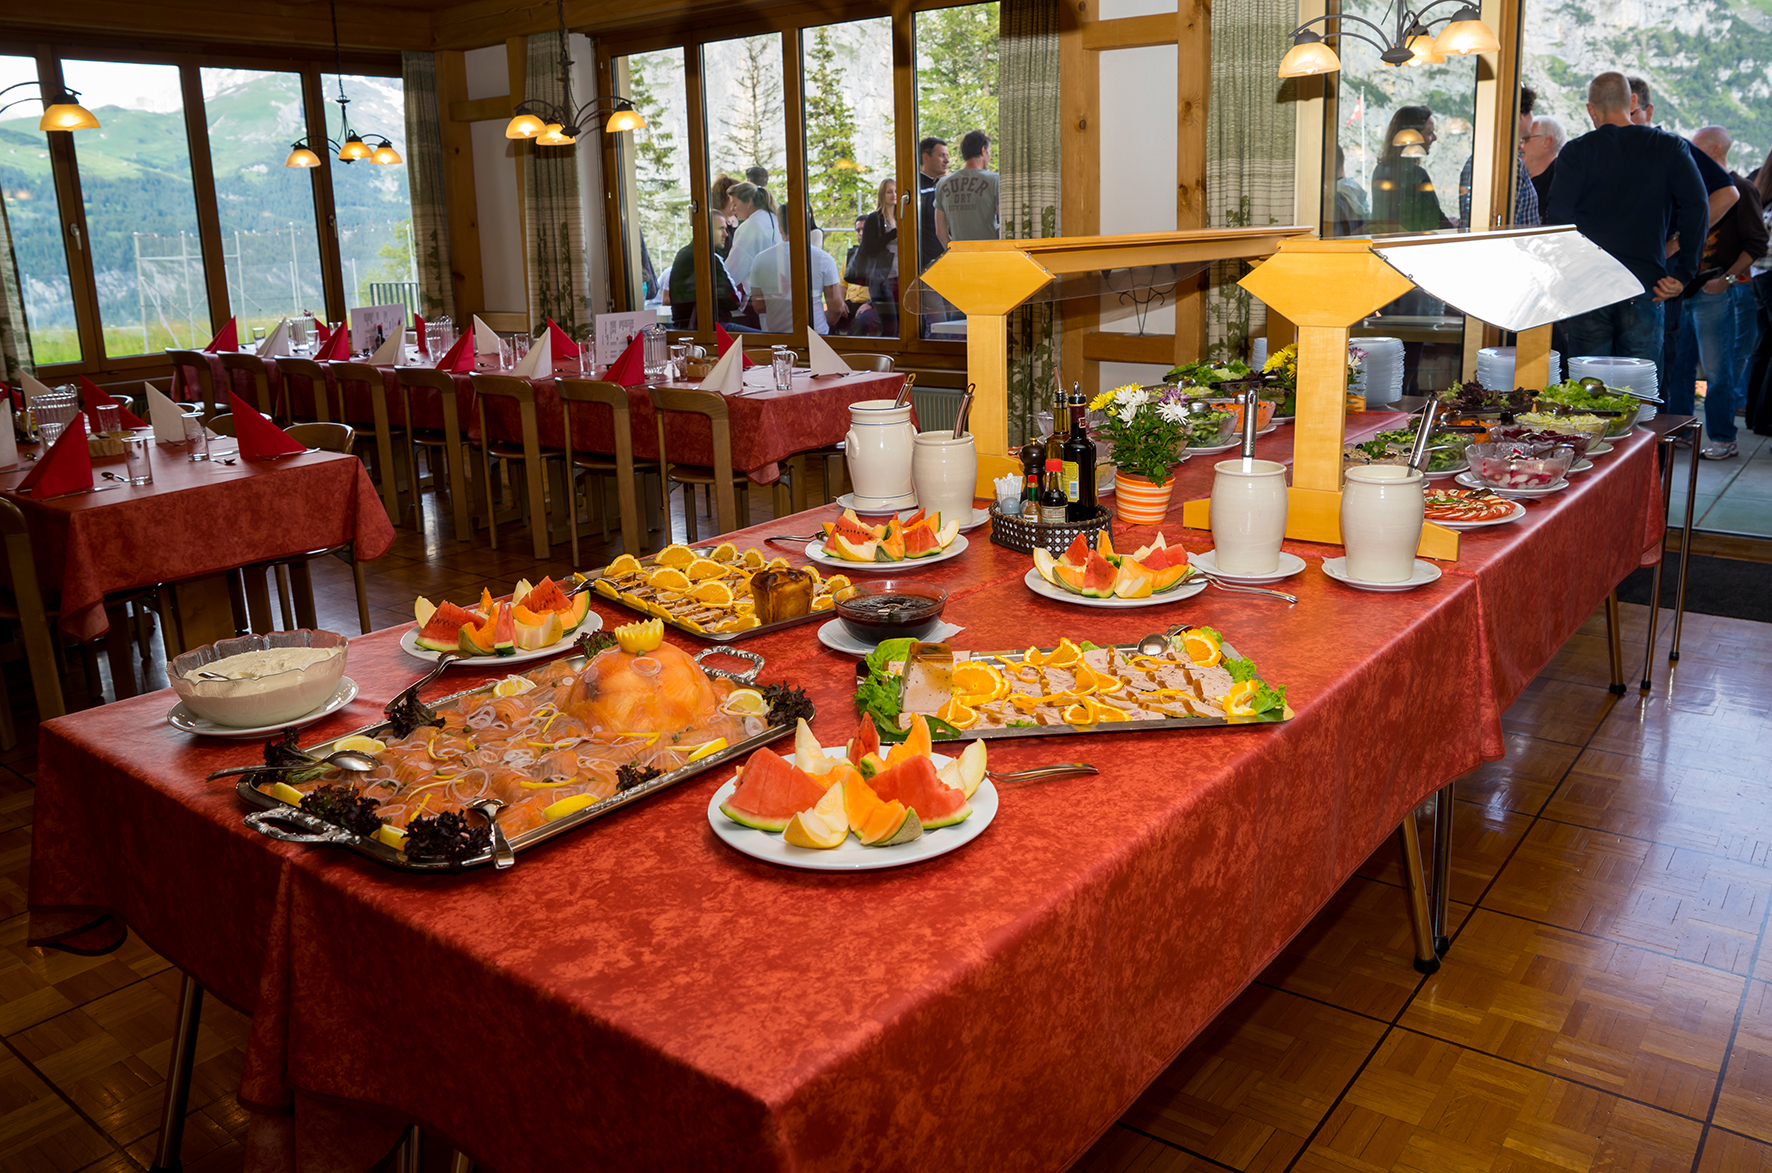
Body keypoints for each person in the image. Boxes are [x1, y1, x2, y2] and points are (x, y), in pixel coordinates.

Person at [1545, 72, 1707, 369]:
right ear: (1631, 102)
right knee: (1638, 386)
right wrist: (1685, 272)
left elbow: (1558, 220)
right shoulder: (1668, 146)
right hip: (1645, 284)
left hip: (1588, 287)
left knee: (1587, 386)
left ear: (1591, 109)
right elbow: (1697, 207)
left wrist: (1566, 275)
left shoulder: (1576, 152)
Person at [1628, 76, 1739, 386]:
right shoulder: (1609, 149)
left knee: (1654, 370)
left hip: (1661, 277)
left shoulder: (1672, 147)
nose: (1622, 121)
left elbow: (1727, 194)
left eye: (1630, 113)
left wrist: (1679, 241)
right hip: (1622, 279)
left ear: (1649, 112)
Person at [1665, 126, 1766, 460]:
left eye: (1695, 148)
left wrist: (1728, 277)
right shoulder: (1690, 187)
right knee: (1679, 367)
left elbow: (1757, 242)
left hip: (1713, 291)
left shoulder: (1742, 188)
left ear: (1712, 151)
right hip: (1681, 290)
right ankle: (1679, 430)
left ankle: (1723, 437)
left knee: (1718, 371)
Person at [1457, 87, 1539, 230]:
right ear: (1521, 115)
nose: (1532, 118)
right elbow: (1506, 222)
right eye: (1530, 112)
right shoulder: (1508, 163)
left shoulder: (1477, 159)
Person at [1370, 107, 1452, 233]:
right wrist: (1455, 226)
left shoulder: (1380, 170)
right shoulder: (1416, 174)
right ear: (1414, 137)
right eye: (1429, 133)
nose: (1435, 138)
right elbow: (1434, 222)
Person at [746, 231, 845, 336]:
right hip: (816, 334)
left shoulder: (760, 259)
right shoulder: (824, 258)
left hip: (776, 336)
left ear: (780, 228)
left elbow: (759, 306)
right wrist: (823, 324)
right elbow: (836, 307)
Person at [1744, 149, 1772, 436]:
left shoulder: (1763, 195)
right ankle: (1765, 418)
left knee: (1764, 346)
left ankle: (1755, 415)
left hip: (1760, 276)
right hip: (1769, 275)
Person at [933, 130, 999, 246]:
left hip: (960, 255)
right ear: (983, 150)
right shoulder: (995, 180)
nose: (989, 157)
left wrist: (953, 253)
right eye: (989, 152)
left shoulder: (943, 183)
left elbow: (941, 232)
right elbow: (1007, 224)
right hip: (989, 252)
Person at [853, 177, 900, 336]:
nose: (894, 195)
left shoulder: (901, 216)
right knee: (890, 326)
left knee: (901, 326)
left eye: (896, 191)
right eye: (889, 192)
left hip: (900, 277)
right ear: (882, 195)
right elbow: (869, 248)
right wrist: (892, 234)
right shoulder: (874, 218)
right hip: (882, 279)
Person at [724, 182, 780, 303]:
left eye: (735, 204)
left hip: (760, 298)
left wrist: (718, 285)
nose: (732, 209)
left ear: (749, 202)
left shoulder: (749, 227)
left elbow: (734, 270)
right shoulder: (775, 219)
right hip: (782, 294)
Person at [665, 241, 739, 329]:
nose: (725, 234)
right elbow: (731, 300)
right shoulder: (706, 256)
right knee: (753, 335)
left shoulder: (683, 254)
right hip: (709, 327)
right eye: (720, 231)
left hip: (686, 325)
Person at [916, 136, 949, 271]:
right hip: (924, 265)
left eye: (947, 156)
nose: (947, 160)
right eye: (941, 155)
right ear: (926, 157)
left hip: (949, 259)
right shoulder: (913, 189)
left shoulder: (946, 186)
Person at [1524, 116, 1564, 206]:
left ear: (1546, 142)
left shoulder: (1561, 184)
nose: (1519, 145)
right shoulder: (1515, 177)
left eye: (1525, 138)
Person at [708, 174, 739, 257]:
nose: (736, 203)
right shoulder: (714, 220)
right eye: (732, 199)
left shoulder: (740, 218)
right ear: (722, 198)